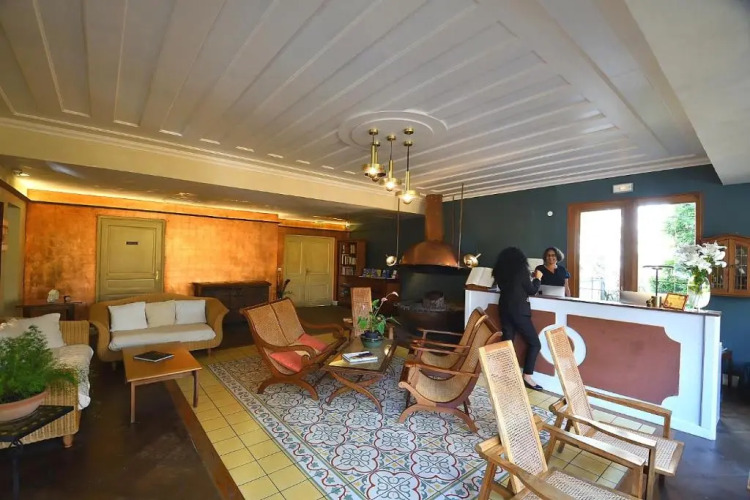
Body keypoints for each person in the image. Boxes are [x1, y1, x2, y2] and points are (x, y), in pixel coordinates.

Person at [492, 247, 543, 390]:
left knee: (507, 342)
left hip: (504, 308)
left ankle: (503, 375)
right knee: (535, 344)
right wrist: (538, 278)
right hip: (519, 310)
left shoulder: (499, 271)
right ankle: (527, 377)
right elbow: (532, 290)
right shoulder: (521, 270)